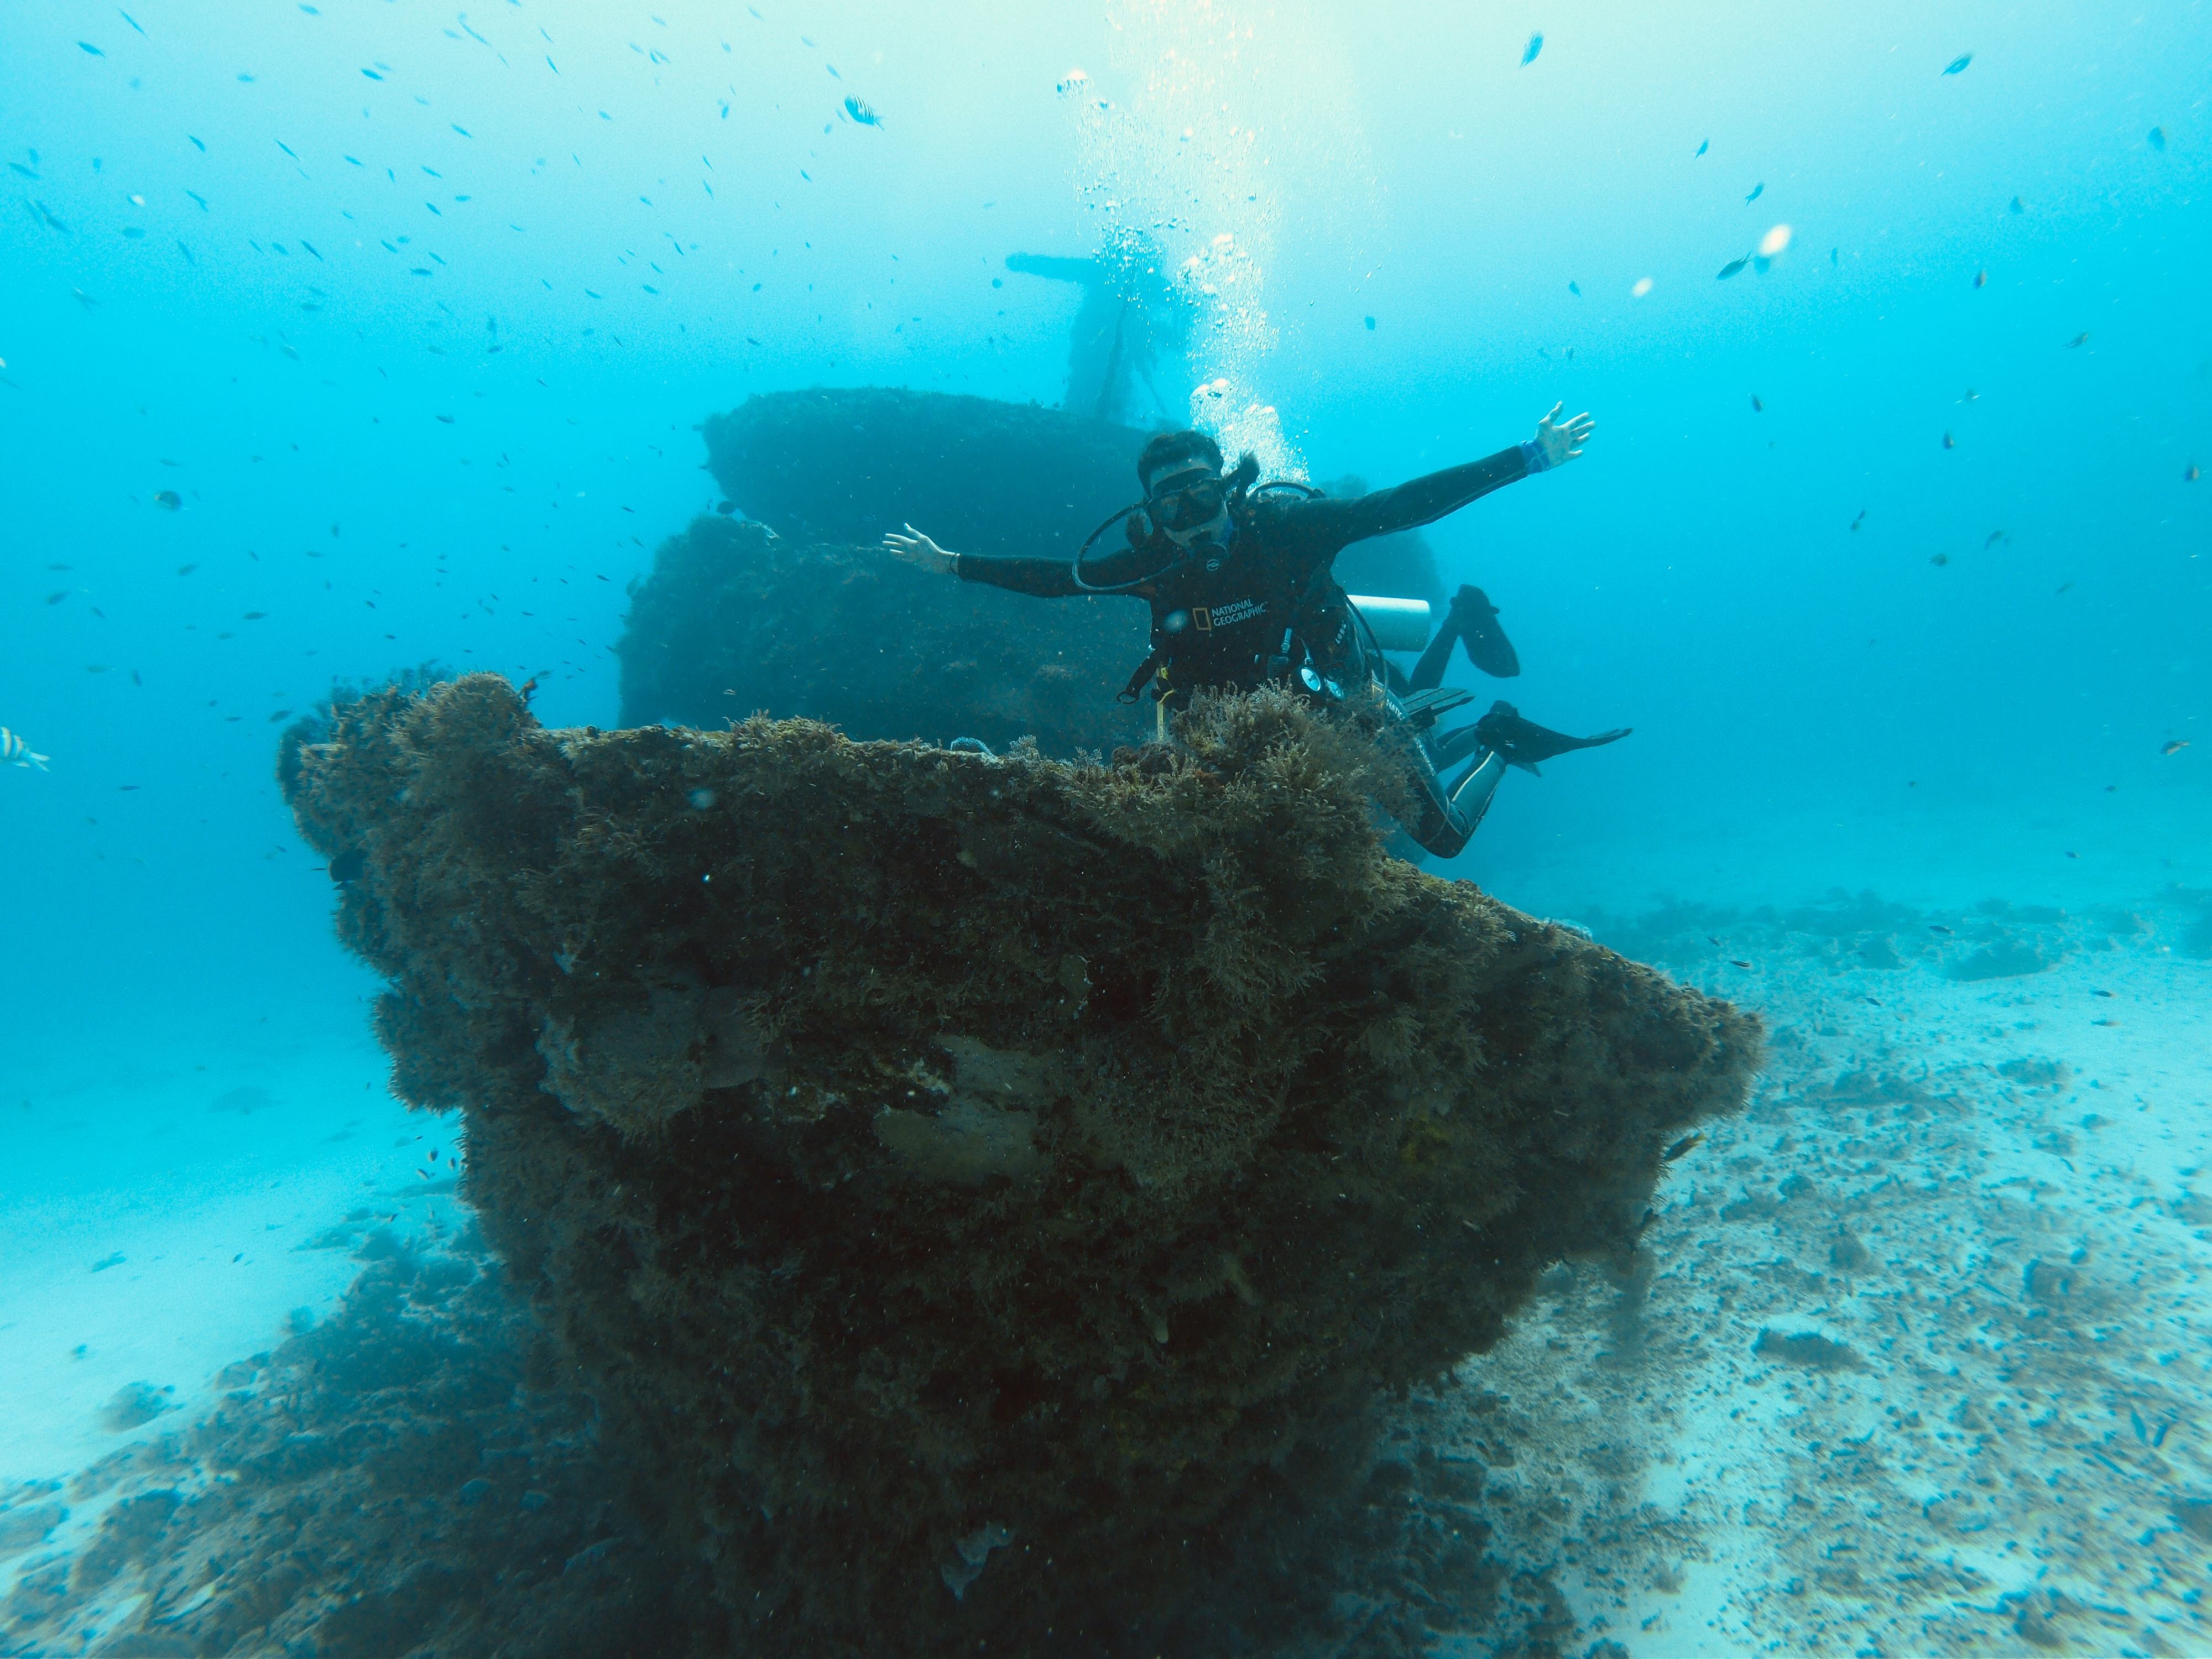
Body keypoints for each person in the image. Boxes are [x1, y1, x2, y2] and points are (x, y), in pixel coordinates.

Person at [882, 404, 1627, 857]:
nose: (1191, 519)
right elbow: (1053, 579)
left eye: (1202, 496)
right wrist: (950, 564)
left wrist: (1528, 458)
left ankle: (1494, 739)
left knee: (1443, 841)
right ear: (1152, 514)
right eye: (1171, 508)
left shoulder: (1291, 531)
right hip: (1220, 723)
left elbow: (1402, 505)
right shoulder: (1149, 567)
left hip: (1342, 701)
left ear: (1228, 491)